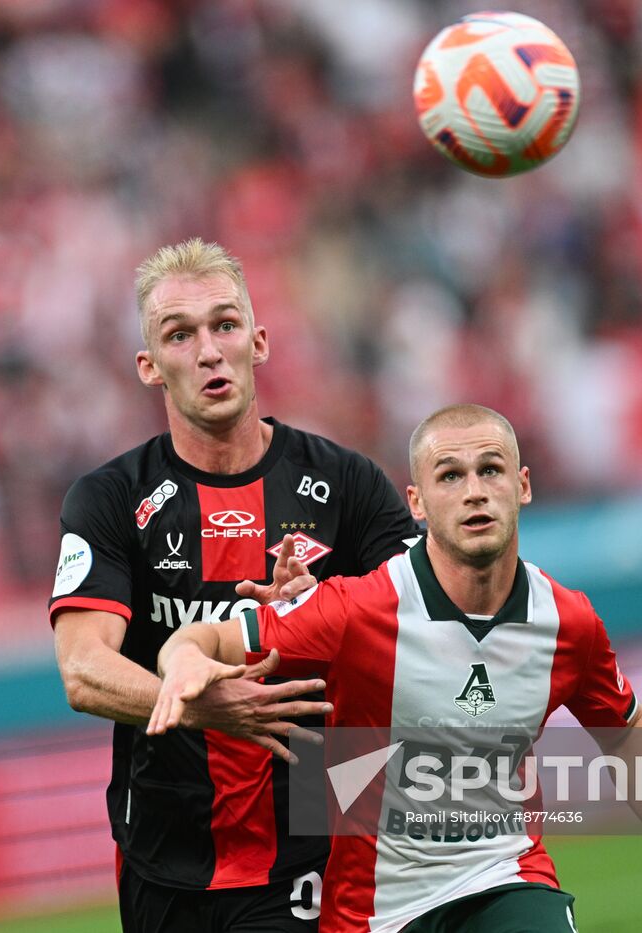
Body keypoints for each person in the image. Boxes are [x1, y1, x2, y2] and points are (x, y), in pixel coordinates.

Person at [149, 404, 642, 932]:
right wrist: (180, 661)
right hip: (374, 910)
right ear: (418, 503)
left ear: (522, 486)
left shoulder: (567, 621)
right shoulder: (356, 609)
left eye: (491, 470)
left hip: (504, 875)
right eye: (451, 475)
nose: (474, 491)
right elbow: (209, 636)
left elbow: (624, 726)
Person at [50, 239, 418, 931]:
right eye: (179, 335)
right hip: (164, 855)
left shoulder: (348, 486)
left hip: (315, 845)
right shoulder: (107, 498)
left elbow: (430, 631)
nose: (209, 350)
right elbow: (82, 669)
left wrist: (322, 614)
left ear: (259, 340)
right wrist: (196, 704)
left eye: (224, 325)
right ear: (149, 367)